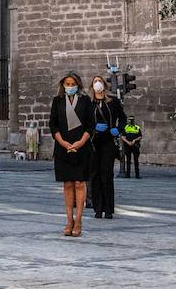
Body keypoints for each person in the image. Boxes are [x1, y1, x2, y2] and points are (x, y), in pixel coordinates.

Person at [50, 72, 92, 237]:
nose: (69, 86)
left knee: (80, 184)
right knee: (67, 184)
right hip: (63, 147)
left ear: (78, 85)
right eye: (66, 84)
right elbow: (53, 124)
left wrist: (81, 142)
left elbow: (90, 124)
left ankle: (79, 219)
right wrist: (62, 142)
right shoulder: (57, 101)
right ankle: (69, 219)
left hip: (81, 147)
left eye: (72, 83)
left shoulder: (85, 101)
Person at [87, 74, 125, 219]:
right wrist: (93, 128)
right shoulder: (88, 102)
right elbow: (84, 122)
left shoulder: (113, 101)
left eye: (99, 81)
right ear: (92, 85)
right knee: (95, 174)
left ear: (104, 84)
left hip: (108, 140)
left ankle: (108, 208)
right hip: (94, 142)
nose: (97, 83)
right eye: (95, 81)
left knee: (107, 174)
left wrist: (118, 129)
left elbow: (123, 118)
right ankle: (98, 208)